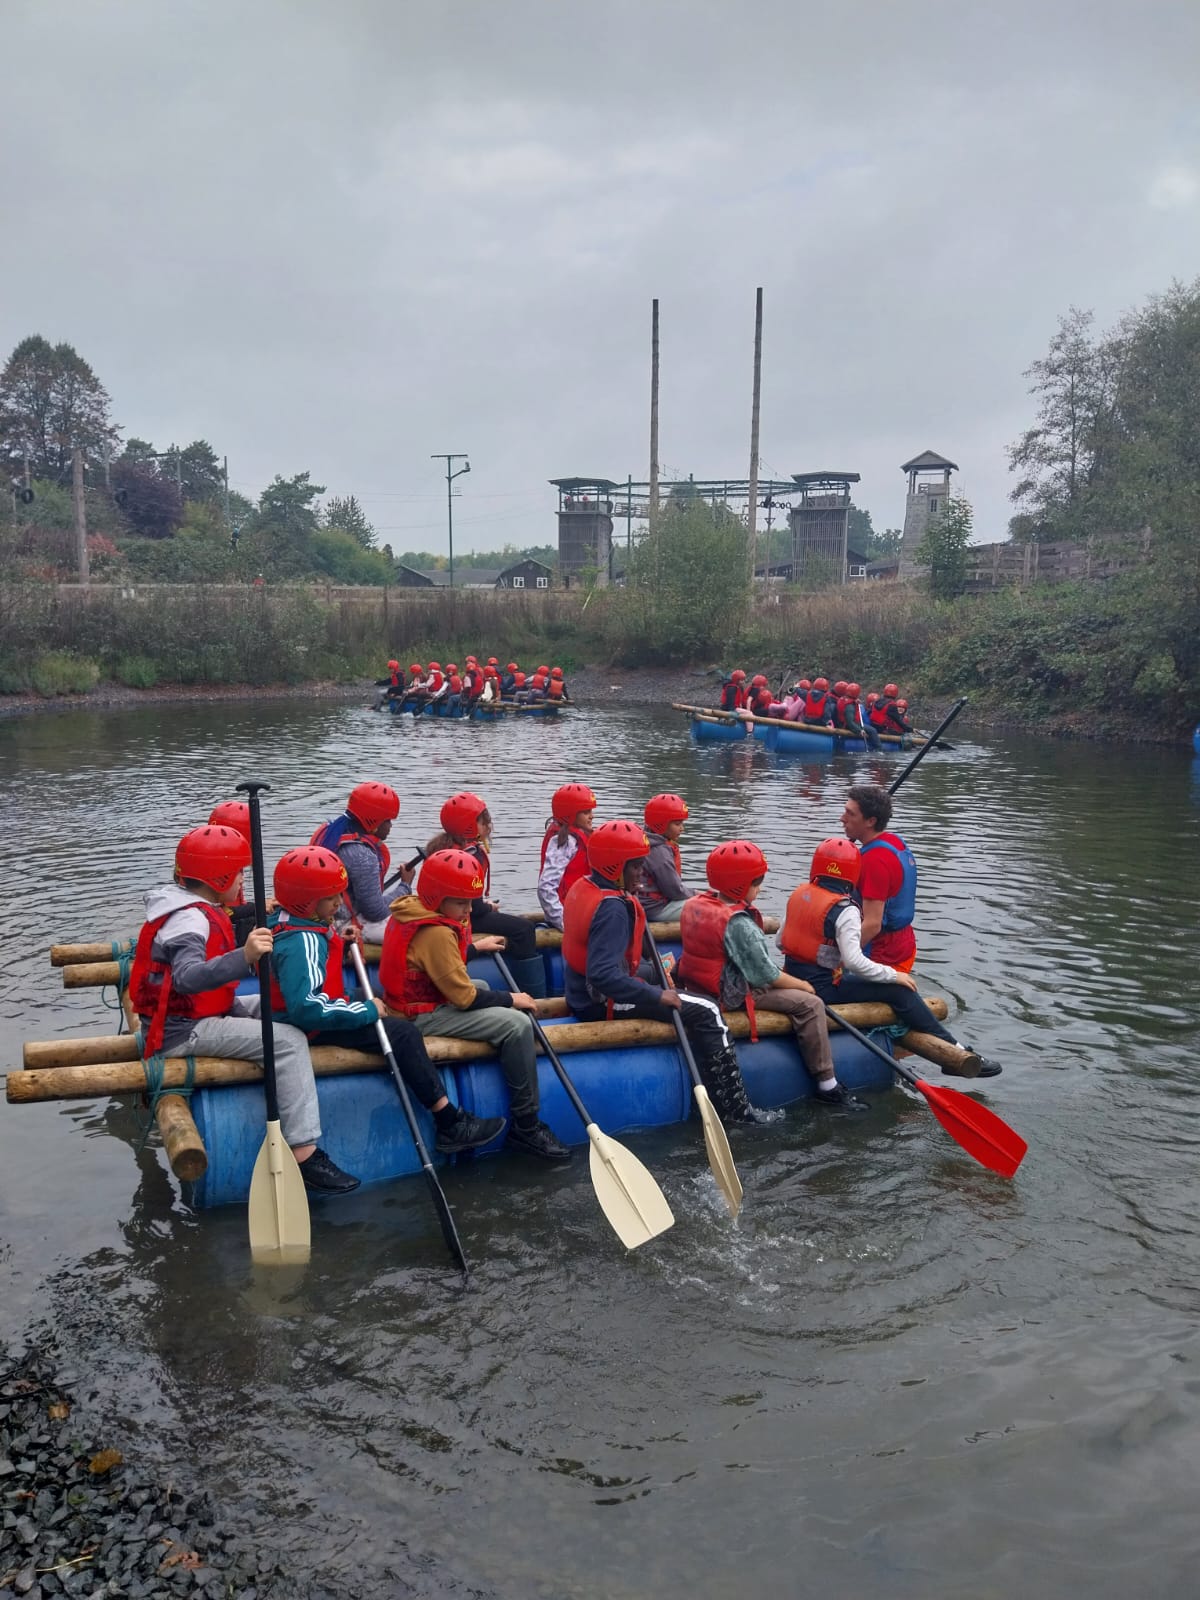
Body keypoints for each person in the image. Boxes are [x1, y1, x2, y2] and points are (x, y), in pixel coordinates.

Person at [129, 823, 360, 1194]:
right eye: (237, 873)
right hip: (183, 1030)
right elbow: (187, 977)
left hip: (203, 1012)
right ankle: (304, 1152)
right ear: (218, 876)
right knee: (286, 1040)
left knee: (271, 1007)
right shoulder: (187, 918)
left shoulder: (192, 906)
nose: (241, 881)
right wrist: (245, 956)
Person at [267, 844, 503, 1155]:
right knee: (403, 1033)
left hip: (312, 1005)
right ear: (307, 902)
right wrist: (365, 1011)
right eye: (332, 898)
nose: (339, 903)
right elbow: (309, 1008)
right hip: (308, 1024)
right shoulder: (303, 941)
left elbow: (314, 970)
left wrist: (338, 937)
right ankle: (449, 1121)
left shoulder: (291, 920)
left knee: (375, 1000)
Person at [562, 820, 779, 1125]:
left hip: (580, 990)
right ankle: (736, 1110)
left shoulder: (590, 884)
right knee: (709, 1011)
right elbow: (603, 976)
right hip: (601, 1000)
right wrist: (657, 995)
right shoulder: (612, 908)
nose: (642, 872)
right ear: (615, 867)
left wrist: (657, 974)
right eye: (635, 866)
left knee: (663, 968)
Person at [380, 849, 571, 1161]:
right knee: (517, 1024)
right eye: (460, 902)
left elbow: (433, 963)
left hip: (413, 1001)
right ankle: (526, 1124)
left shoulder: (413, 909)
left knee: (483, 985)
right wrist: (512, 999)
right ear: (436, 896)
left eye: (471, 901)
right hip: (418, 1016)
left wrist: (472, 947)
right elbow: (464, 998)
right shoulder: (436, 932)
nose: (469, 910)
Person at [780, 836, 1001, 1076]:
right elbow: (853, 961)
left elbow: (780, 940)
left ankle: (947, 1045)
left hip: (793, 980)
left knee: (873, 982)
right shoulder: (846, 910)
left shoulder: (799, 894)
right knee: (900, 991)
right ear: (854, 873)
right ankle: (954, 1050)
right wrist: (893, 975)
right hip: (822, 990)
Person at [678, 840, 864, 1109]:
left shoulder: (697, 903)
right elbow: (766, 975)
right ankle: (827, 1085)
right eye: (757, 882)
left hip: (701, 986)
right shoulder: (739, 922)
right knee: (811, 1004)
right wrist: (803, 985)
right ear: (741, 884)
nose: (760, 888)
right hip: (733, 993)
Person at [427, 790, 548, 997]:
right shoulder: (472, 855)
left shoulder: (441, 847)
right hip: (464, 916)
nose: (488, 827)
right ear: (471, 826)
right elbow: (473, 908)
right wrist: (488, 906)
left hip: (445, 912)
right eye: (484, 823)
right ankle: (535, 996)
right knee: (525, 929)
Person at [311, 781, 412, 943]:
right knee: (416, 930)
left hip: (321, 915)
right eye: (387, 820)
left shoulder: (327, 831)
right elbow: (375, 911)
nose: (390, 825)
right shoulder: (362, 854)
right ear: (375, 822)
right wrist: (405, 886)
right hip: (340, 923)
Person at [537, 782, 597, 928]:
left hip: (580, 909)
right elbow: (546, 887)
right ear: (570, 814)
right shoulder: (564, 842)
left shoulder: (579, 836)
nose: (592, 816)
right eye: (586, 812)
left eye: (591, 811)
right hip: (569, 914)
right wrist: (563, 921)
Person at [637, 793, 695, 922]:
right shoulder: (659, 851)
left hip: (647, 905)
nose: (682, 829)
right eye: (677, 824)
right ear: (661, 824)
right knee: (709, 907)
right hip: (655, 909)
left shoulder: (646, 841)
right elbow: (675, 891)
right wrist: (696, 894)